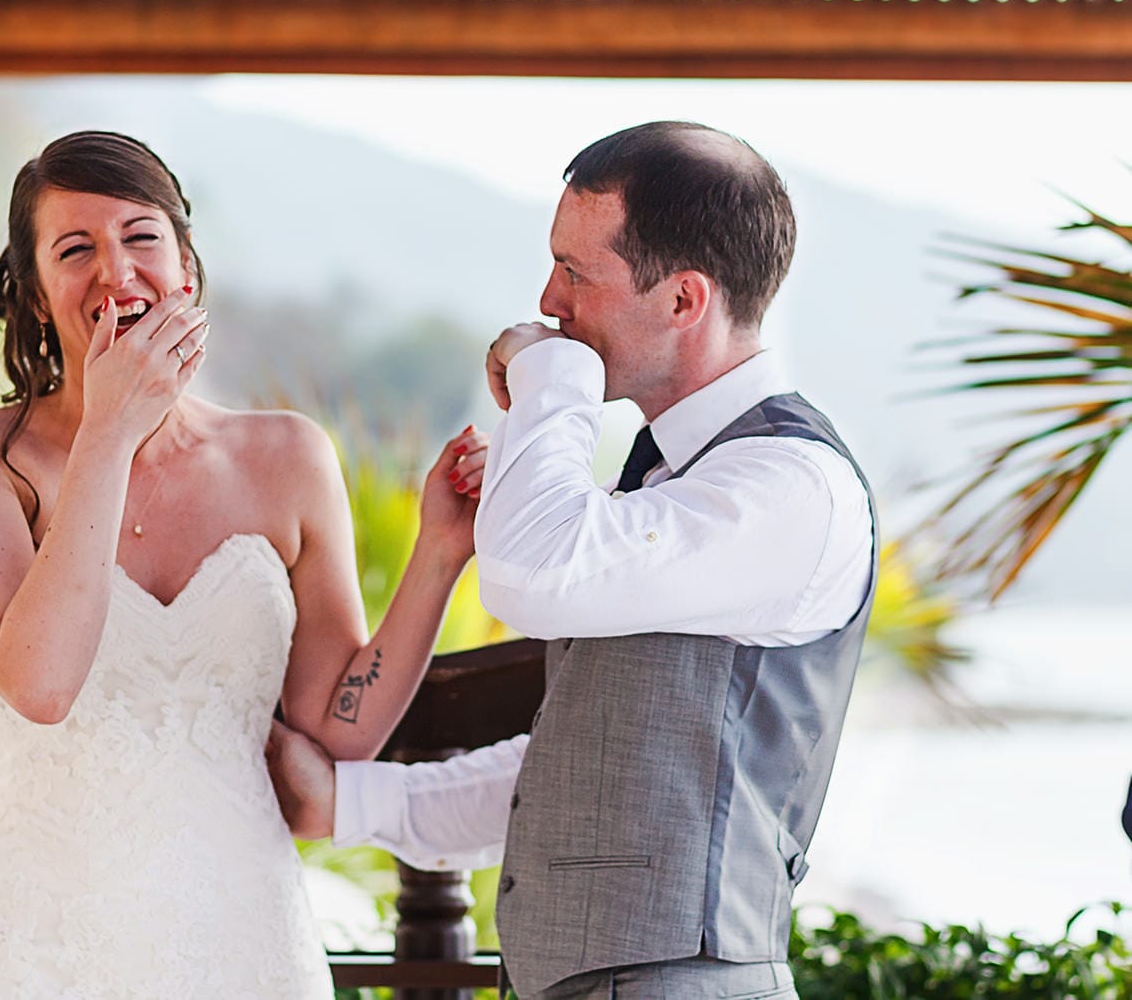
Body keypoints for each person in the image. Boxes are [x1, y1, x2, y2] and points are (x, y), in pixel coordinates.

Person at [267, 121, 878, 1000]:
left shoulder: (790, 485)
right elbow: (585, 769)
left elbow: (527, 575)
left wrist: (548, 371)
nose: (549, 300)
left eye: (577, 273)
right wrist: (347, 802)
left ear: (684, 301)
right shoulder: (670, 476)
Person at [0, 130, 487, 998]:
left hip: (248, 941)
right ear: (35, 299)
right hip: (47, 952)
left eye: (142, 237)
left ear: (186, 268)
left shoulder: (288, 456)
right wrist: (109, 429)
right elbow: (40, 685)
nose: (116, 271)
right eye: (76, 250)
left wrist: (440, 551)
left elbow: (339, 728)